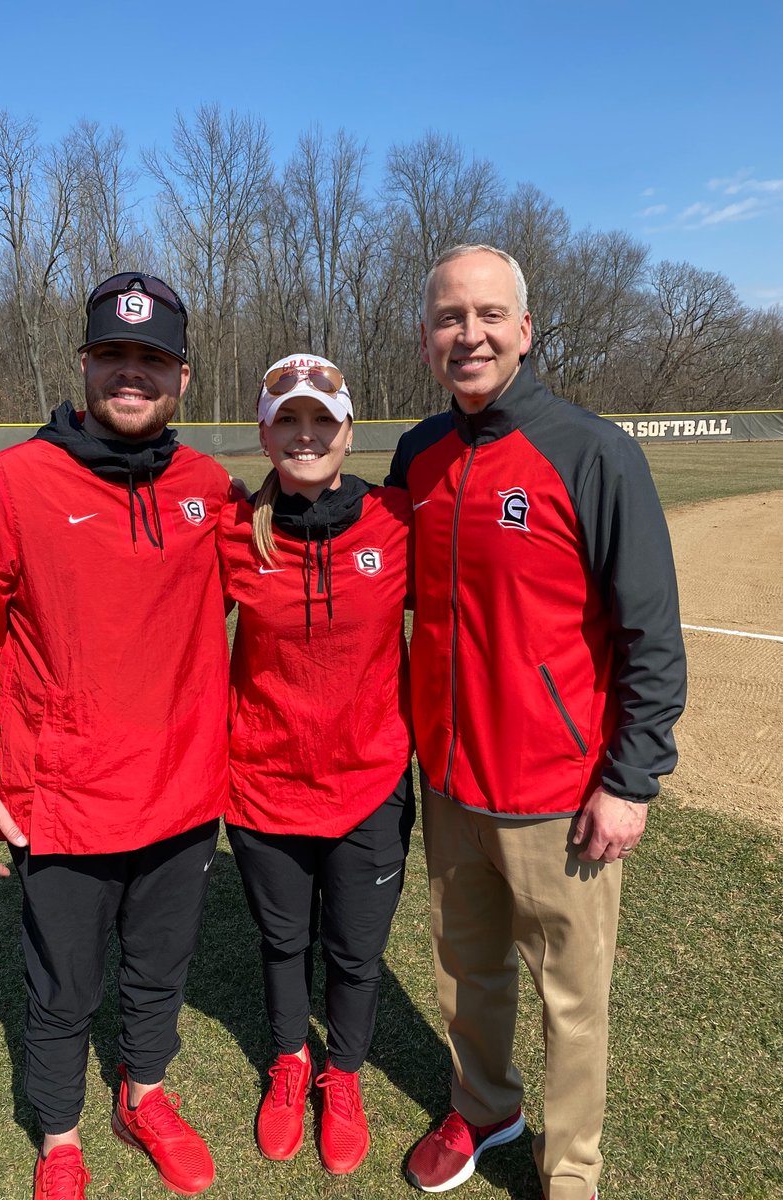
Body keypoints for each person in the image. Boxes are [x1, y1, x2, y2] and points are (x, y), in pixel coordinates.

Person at [387, 245, 686, 1200]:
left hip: (560, 791)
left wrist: (630, 780)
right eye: (447, 317)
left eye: (486, 315)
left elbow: (652, 634)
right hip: (449, 782)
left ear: (524, 328)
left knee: (573, 999)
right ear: (427, 339)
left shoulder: (592, 451)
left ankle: (572, 1172)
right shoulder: (418, 453)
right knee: (466, 972)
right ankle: (485, 1108)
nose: (466, 334)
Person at [0, 272, 232, 1199]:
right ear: (86, 363)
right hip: (61, 797)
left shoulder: (209, 487)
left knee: (159, 971)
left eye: (151, 359)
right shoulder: (13, 482)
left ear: (181, 374)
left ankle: (143, 1095)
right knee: (63, 990)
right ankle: (59, 1138)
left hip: (182, 790)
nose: (130, 375)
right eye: (114, 356)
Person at [216, 353, 414, 1175]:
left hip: (369, 783)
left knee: (356, 953)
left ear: (348, 431)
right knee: (282, 940)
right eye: (288, 420)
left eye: (320, 421)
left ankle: (344, 1074)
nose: (305, 436)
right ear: (264, 431)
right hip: (263, 783)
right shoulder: (230, 530)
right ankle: (292, 1063)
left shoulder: (399, 520)